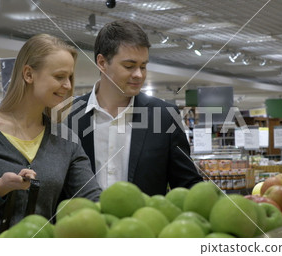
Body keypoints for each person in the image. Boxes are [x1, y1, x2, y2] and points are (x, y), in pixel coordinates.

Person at [0, 34, 102, 236]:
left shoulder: (66, 140)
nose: (67, 85)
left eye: (70, 77)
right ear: (28, 74)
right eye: (59, 76)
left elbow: (93, 200)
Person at [67, 20, 202, 196]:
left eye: (143, 66)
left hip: (145, 223)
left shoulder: (164, 116)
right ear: (102, 62)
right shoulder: (68, 115)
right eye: (129, 66)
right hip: (82, 223)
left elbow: (188, 183)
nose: (139, 75)